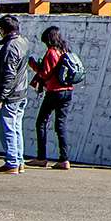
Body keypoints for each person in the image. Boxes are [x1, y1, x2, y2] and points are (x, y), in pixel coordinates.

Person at [0, 13, 31, 174]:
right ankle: (19, 160)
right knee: (16, 128)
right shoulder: (23, 42)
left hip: (10, 95)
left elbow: (8, 75)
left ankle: (12, 162)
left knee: (7, 129)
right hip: (21, 92)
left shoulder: (10, 47)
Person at [28, 25, 75, 170]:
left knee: (41, 122)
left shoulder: (51, 52)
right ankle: (64, 159)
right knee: (61, 125)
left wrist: (34, 66)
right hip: (68, 91)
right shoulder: (65, 50)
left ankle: (41, 157)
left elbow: (45, 74)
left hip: (54, 91)